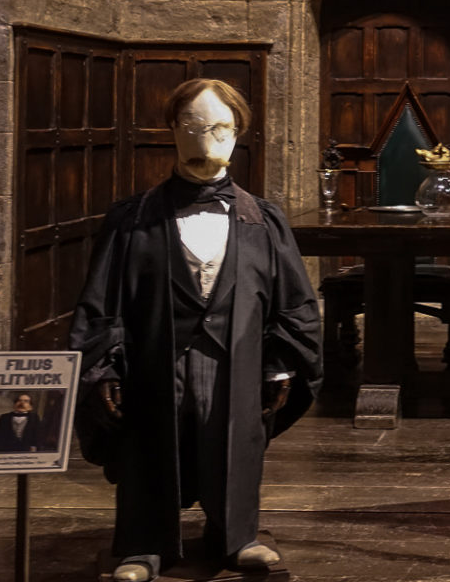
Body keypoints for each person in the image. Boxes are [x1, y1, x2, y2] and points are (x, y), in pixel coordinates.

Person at [70, 79, 323, 581]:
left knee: (233, 443)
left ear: (239, 134)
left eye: (221, 128)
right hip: (154, 361)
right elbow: (101, 302)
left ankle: (237, 537)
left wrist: (280, 364)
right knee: (150, 444)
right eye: (193, 126)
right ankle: (143, 546)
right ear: (173, 130)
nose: (207, 139)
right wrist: (105, 369)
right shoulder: (131, 220)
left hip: (235, 360)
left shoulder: (263, 221)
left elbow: (294, 304)